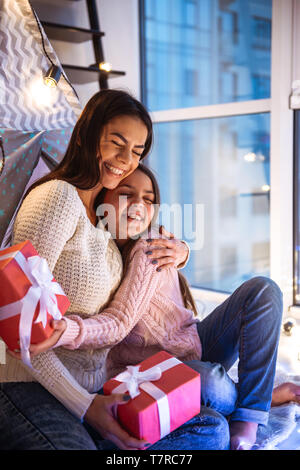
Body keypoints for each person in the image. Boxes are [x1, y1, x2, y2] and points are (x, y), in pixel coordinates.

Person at [0, 89, 230, 451]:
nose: (126, 160)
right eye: (117, 143)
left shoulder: (105, 227)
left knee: (210, 426)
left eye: (137, 152)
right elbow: (23, 334)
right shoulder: (58, 198)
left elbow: (148, 252)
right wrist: (86, 406)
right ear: (86, 135)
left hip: (96, 389)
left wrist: (183, 251)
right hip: (32, 386)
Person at [25, 163, 284, 451]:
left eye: (148, 199)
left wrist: (182, 250)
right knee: (211, 395)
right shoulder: (95, 252)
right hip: (151, 370)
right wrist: (65, 329)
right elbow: (117, 321)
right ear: (103, 201)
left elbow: (124, 317)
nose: (138, 204)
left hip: (195, 343)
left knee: (262, 291)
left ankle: (250, 412)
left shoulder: (152, 243)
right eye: (126, 193)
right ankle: (260, 398)